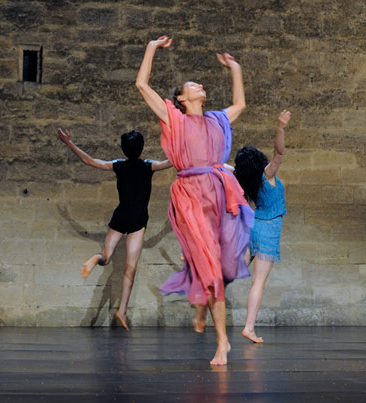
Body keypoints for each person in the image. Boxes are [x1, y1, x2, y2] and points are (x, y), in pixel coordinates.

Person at [136, 35, 253, 365]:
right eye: (193, 85)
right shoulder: (174, 118)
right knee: (210, 266)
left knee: (218, 266)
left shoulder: (216, 119)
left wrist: (236, 69)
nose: (199, 85)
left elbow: (240, 104)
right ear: (181, 98)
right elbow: (141, 84)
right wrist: (151, 48)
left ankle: (202, 306)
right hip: (190, 197)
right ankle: (222, 341)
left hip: (218, 192)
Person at [57, 127, 172, 331]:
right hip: (138, 220)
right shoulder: (148, 166)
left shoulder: (118, 165)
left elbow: (90, 161)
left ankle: (96, 258)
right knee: (130, 268)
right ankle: (122, 310)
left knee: (106, 256)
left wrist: (69, 143)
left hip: (120, 215)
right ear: (141, 148)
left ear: (124, 149)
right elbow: (170, 162)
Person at [234, 110, 291, 343]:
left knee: (232, 269)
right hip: (267, 231)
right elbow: (279, 153)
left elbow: (227, 168)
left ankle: (198, 266)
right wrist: (280, 127)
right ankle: (249, 327)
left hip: (255, 227)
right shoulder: (266, 175)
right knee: (258, 282)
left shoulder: (245, 177)